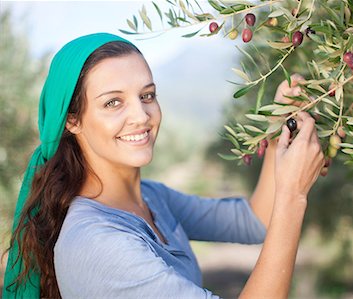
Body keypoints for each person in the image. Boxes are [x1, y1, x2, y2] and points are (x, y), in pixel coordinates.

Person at [3, 33, 324, 298]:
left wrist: (277, 123)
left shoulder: (152, 199)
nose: (141, 116)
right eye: (113, 102)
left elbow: (255, 220)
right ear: (72, 120)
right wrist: (293, 195)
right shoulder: (96, 242)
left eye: (147, 95)